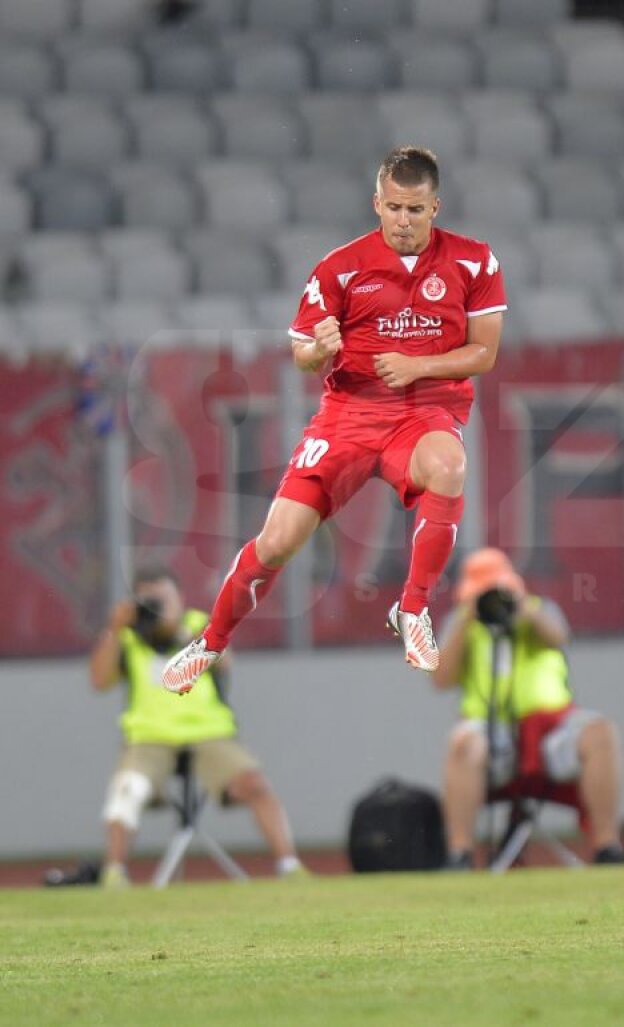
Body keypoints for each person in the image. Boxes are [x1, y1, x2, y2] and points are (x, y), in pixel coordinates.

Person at [162, 146, 506, 692]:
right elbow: (302, 352)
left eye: (415, 210)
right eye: (393, 207)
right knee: (277, 542)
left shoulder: (473, 261)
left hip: (423, 412)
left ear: (435, 207)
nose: (403, 221)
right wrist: (318, 350)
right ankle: (211, 642)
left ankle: (412, 609)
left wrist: (418, 365)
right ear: (377, 203)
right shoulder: (341, 267)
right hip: (347, 415)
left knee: (449, 464)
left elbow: (484, 354)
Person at [89, 567, 306, 887]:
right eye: (149, 601)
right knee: (127, 790)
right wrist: (114, 628)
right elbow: (99, 680)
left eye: (163, 599)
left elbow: (225, 660)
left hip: (210, 734)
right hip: (149, 737)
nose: (156, 608)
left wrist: (176, 631)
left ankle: (290, 866)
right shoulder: (128, 636)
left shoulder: (197, 626)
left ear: (180, 599)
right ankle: (114, 873)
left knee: (255, 783)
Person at [432, 548, 624, 868]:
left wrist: (523, 610)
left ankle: (607, 846)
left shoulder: (540, 609)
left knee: (601, 732)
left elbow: (558, 636)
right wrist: (467, 617)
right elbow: (441, 679)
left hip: (552, 727)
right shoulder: (462, 623)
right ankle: (461, 853)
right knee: (462, 743)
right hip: (489, 731)